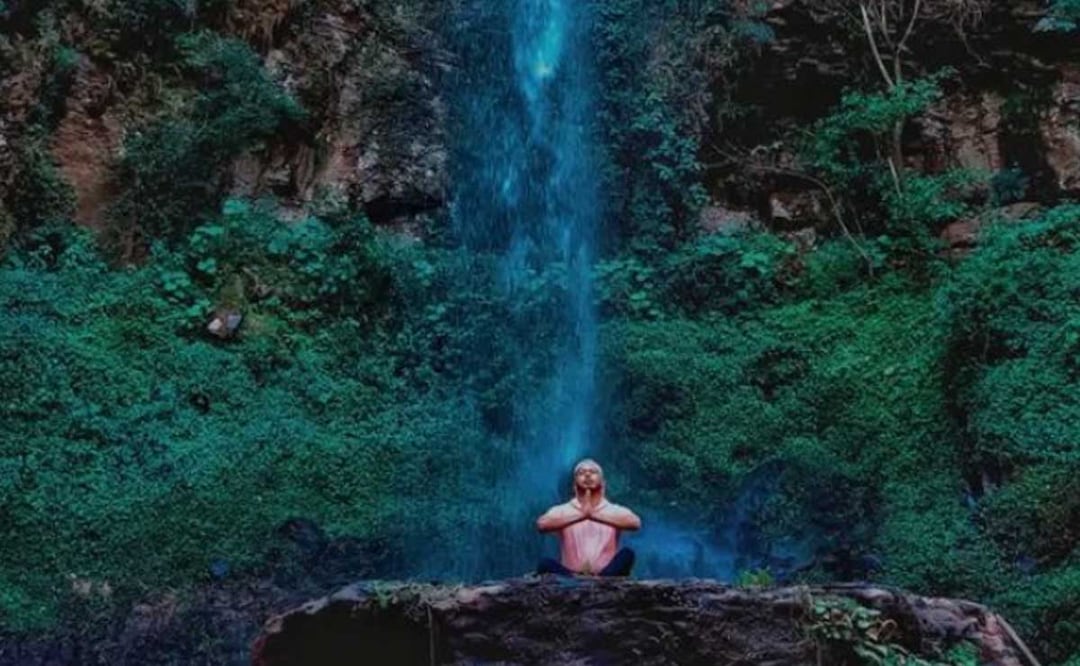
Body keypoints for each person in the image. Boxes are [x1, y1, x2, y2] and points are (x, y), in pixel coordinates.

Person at [535, 458, 641, 576]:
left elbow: (635, 523)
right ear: (574, 485)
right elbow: (541, 525)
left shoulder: (613, 510)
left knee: (627, 554)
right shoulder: (563, 510)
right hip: (570, 578)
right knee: (544, 563)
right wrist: (581, 515)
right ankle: (576, 583)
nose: (587, 474)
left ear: (603, 483)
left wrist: (594, 515)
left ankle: (601, 582)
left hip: (607, 575)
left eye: (593, 472)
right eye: (581, 472)